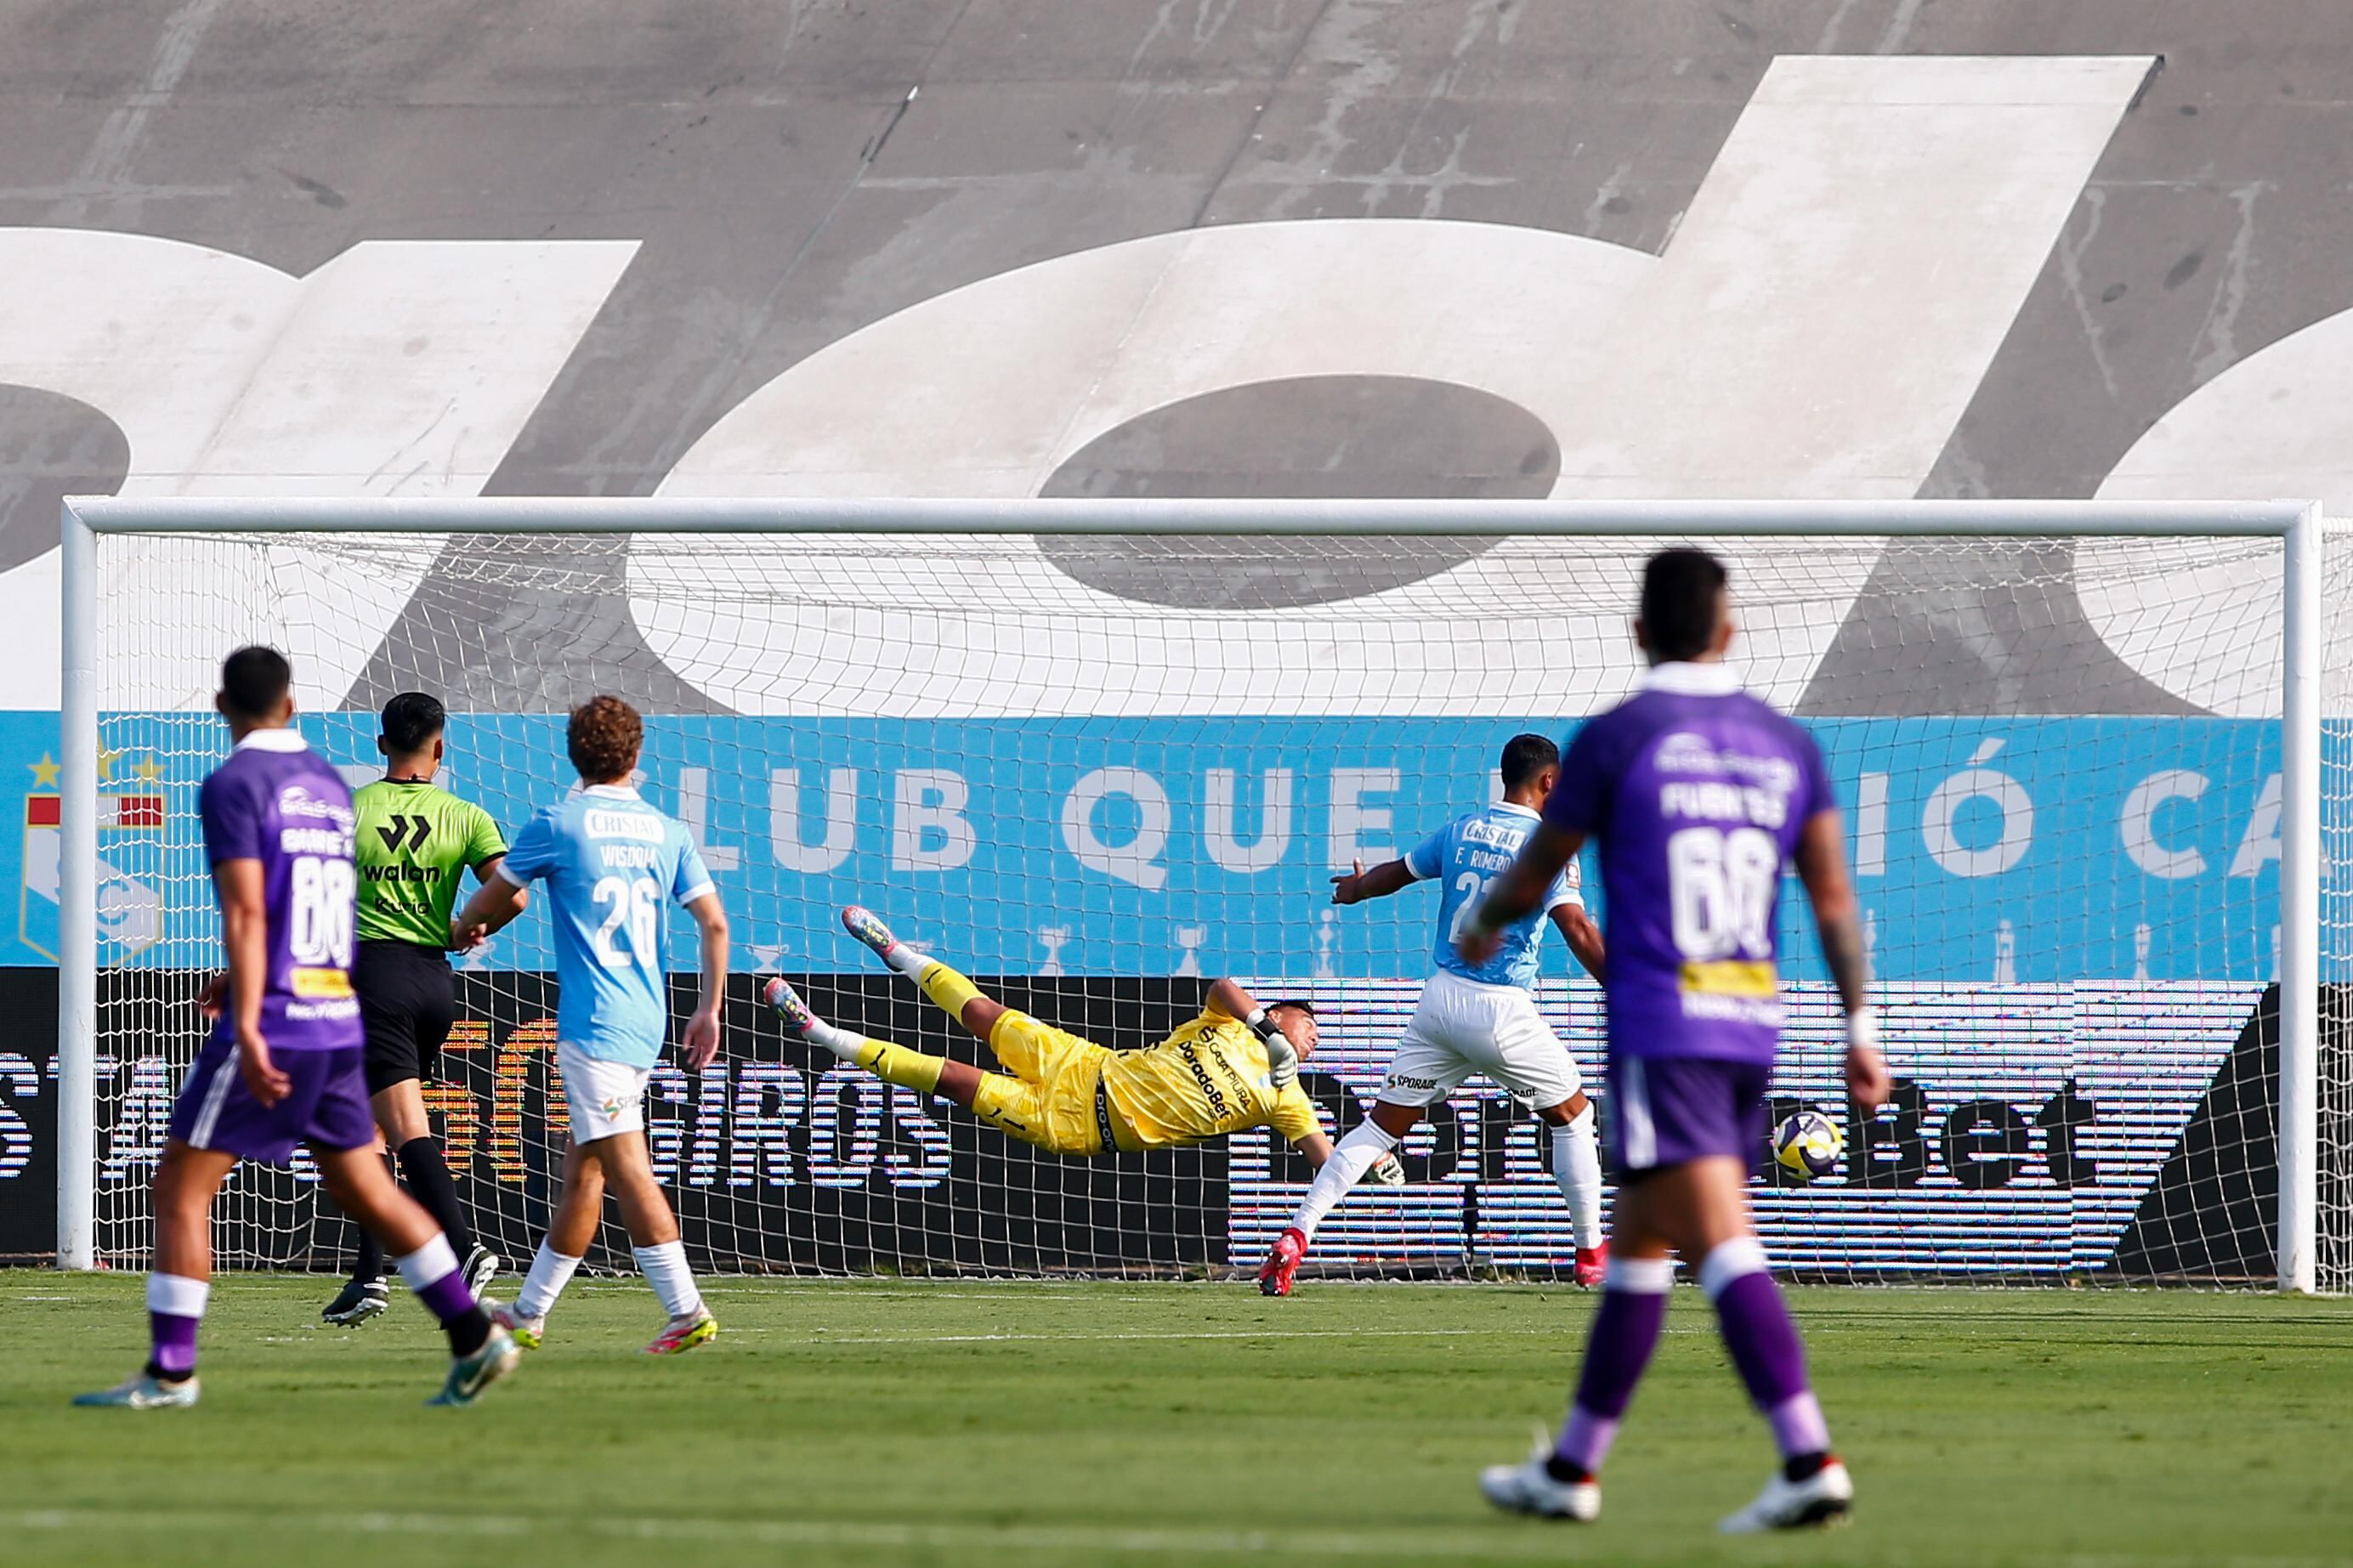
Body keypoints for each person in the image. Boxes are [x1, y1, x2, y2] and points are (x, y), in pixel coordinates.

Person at [1469, 549, 1892, 1531]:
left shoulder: (1619, 737)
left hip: (1663, 1027)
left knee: (1717, 1244)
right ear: (1729, 629)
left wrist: (1486, 923)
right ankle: (1571, 1469)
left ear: (1636, 633)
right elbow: (1831, 899)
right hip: (1749, 1027)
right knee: (1640, 1244)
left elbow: (1539, 869)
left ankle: (1805, 1455)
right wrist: (1857, 1028)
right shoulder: (1784, 744)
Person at [75, 647, 517, 1410]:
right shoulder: (321, 785)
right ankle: (475, 1335)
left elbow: (248, 909)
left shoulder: (237, 783)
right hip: (338, 1007)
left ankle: (172, 1371)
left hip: (284, 1010)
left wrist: (246, 1011)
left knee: (181, 1183)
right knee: (366, 1182)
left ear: (224, 705)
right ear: (292, 707)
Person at [1257, 733, 1609, 1297]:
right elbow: (1577, 928)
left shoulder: (1462, 829)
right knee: (1572, 1115)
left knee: (1377, 1128)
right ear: (1549, 782)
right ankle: (1592, 1254)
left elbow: (1394, 873)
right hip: (1499, 1010)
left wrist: (1353, 890)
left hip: (1440, 1003)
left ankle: (1297, 1235)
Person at [451, 695, 729, 1356]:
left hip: (594, 1025)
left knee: (627, 1166)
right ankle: (527, 1312)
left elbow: (494, 899)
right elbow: (714, 923)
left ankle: (687, 1309)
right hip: (645, 1019)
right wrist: (710, 1008)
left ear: (574, 754)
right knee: (585, 1173)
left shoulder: (560, 822)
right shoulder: (668, 829)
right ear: (636, 755)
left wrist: (459, 931)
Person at [769, 907, 1335, 1167]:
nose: (1312, 1038)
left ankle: (821, 1032)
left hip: (1078, 1125)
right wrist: (1266, 1029)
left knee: (952, 1077)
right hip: (1084, 1064)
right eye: (1307, 1024)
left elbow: (1324, 1157)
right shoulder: (1233, 1024)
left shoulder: (1287, 1098)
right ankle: (902, 955)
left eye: (1315, 1039)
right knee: (984, 1014)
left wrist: (1371, 1160)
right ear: (1280, 1012)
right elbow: (1223, 985)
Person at [321, 692, 511, 1326]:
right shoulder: (466, 814)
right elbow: (508, 894)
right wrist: (464, 927)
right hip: (434, 981)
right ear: (439, 745)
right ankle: (366, 1277)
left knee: (401, 1126)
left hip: (373, 979)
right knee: (369, 1124)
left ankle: (464, 1248)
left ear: (381, 745)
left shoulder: (350, 809)